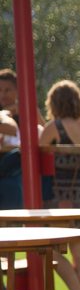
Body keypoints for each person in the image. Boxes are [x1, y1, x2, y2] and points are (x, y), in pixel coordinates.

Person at [36, 80, 80, 290]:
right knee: (79, 251)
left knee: (49, 247)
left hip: (60, 194)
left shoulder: (55, 127)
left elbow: (39, 150)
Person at [0, 69, 23, 209]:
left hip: (19, 178)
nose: (3, 94)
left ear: (17, 90)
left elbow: (43, 132)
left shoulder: (27, 111)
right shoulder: (3, 115)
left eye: (7, 90)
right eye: (0, 90)